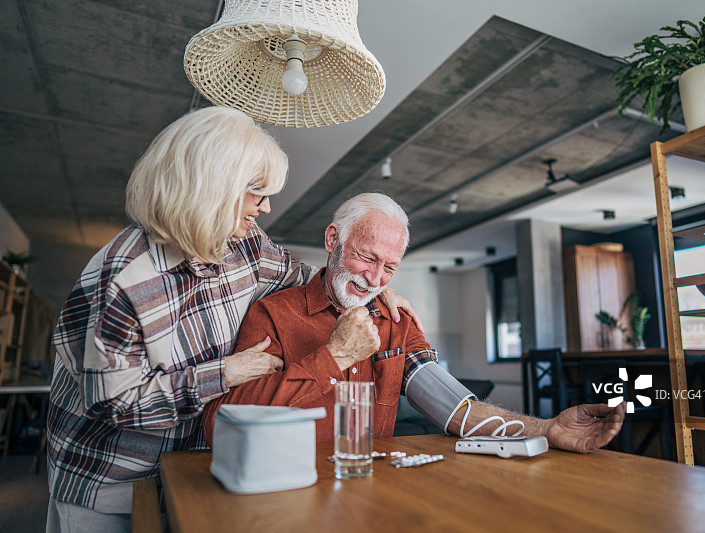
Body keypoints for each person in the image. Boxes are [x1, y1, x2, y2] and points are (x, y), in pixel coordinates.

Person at [45, 107, 419, 533]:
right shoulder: (127, 277)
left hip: (193, 467)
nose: (266, 206)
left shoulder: (244, 245)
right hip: (109, 478)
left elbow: (306, 280)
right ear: (210, 186)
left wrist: (372, 280)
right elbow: (112, 402)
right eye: (257, 191)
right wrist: (224, 372)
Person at [203, 192, 625, 452]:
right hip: (285, 495)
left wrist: (546, 429)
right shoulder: (273, 313)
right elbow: (222, 423)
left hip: (370, 493)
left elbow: (453, 408)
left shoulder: (396, 320)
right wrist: (331, 358)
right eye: (366, 257)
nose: (374, 279)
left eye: (389, 267)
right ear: (333, 240)